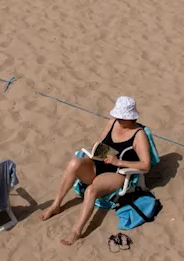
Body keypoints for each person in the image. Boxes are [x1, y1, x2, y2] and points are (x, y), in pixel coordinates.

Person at [39, 96, 153, 246]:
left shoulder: (139, 135)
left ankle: (76, 231)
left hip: (117, 172)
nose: (118, 119)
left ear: (131, 118)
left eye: (122, 117)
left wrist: (118, 161)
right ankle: (56, 205)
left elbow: (146, 165)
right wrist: (97, 150)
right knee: (74, 163)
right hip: (99, 163)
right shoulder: (113, 122)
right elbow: (99, 141)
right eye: (117, 116)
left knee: (91, 190)